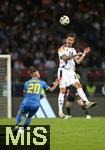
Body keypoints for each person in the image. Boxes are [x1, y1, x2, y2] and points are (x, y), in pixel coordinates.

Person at [57, 33, 96, 118]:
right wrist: (76, 54)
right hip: (63, 71)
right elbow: (65, 58)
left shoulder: (74, 50)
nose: (70, 41)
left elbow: (78, 62)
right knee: (62, 91)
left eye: (72, 40)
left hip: (71, 71)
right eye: (69, 39)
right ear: (66, 39)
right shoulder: (61, 49)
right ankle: (60, 111)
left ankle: (87, 102)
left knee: (78, 84)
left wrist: (84, 54)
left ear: (73, 41)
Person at [13, 67, 58, 134]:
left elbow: (24, 93)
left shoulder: (27, 83)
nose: (39, 73)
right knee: (30, 116)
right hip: (36, 104)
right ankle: (22, 129)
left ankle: (16, 126)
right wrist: (55, 85)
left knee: (20, 112)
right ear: (34, 74)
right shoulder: (42, 82)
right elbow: (51, 90)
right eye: (38, 72)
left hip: (26, 102)